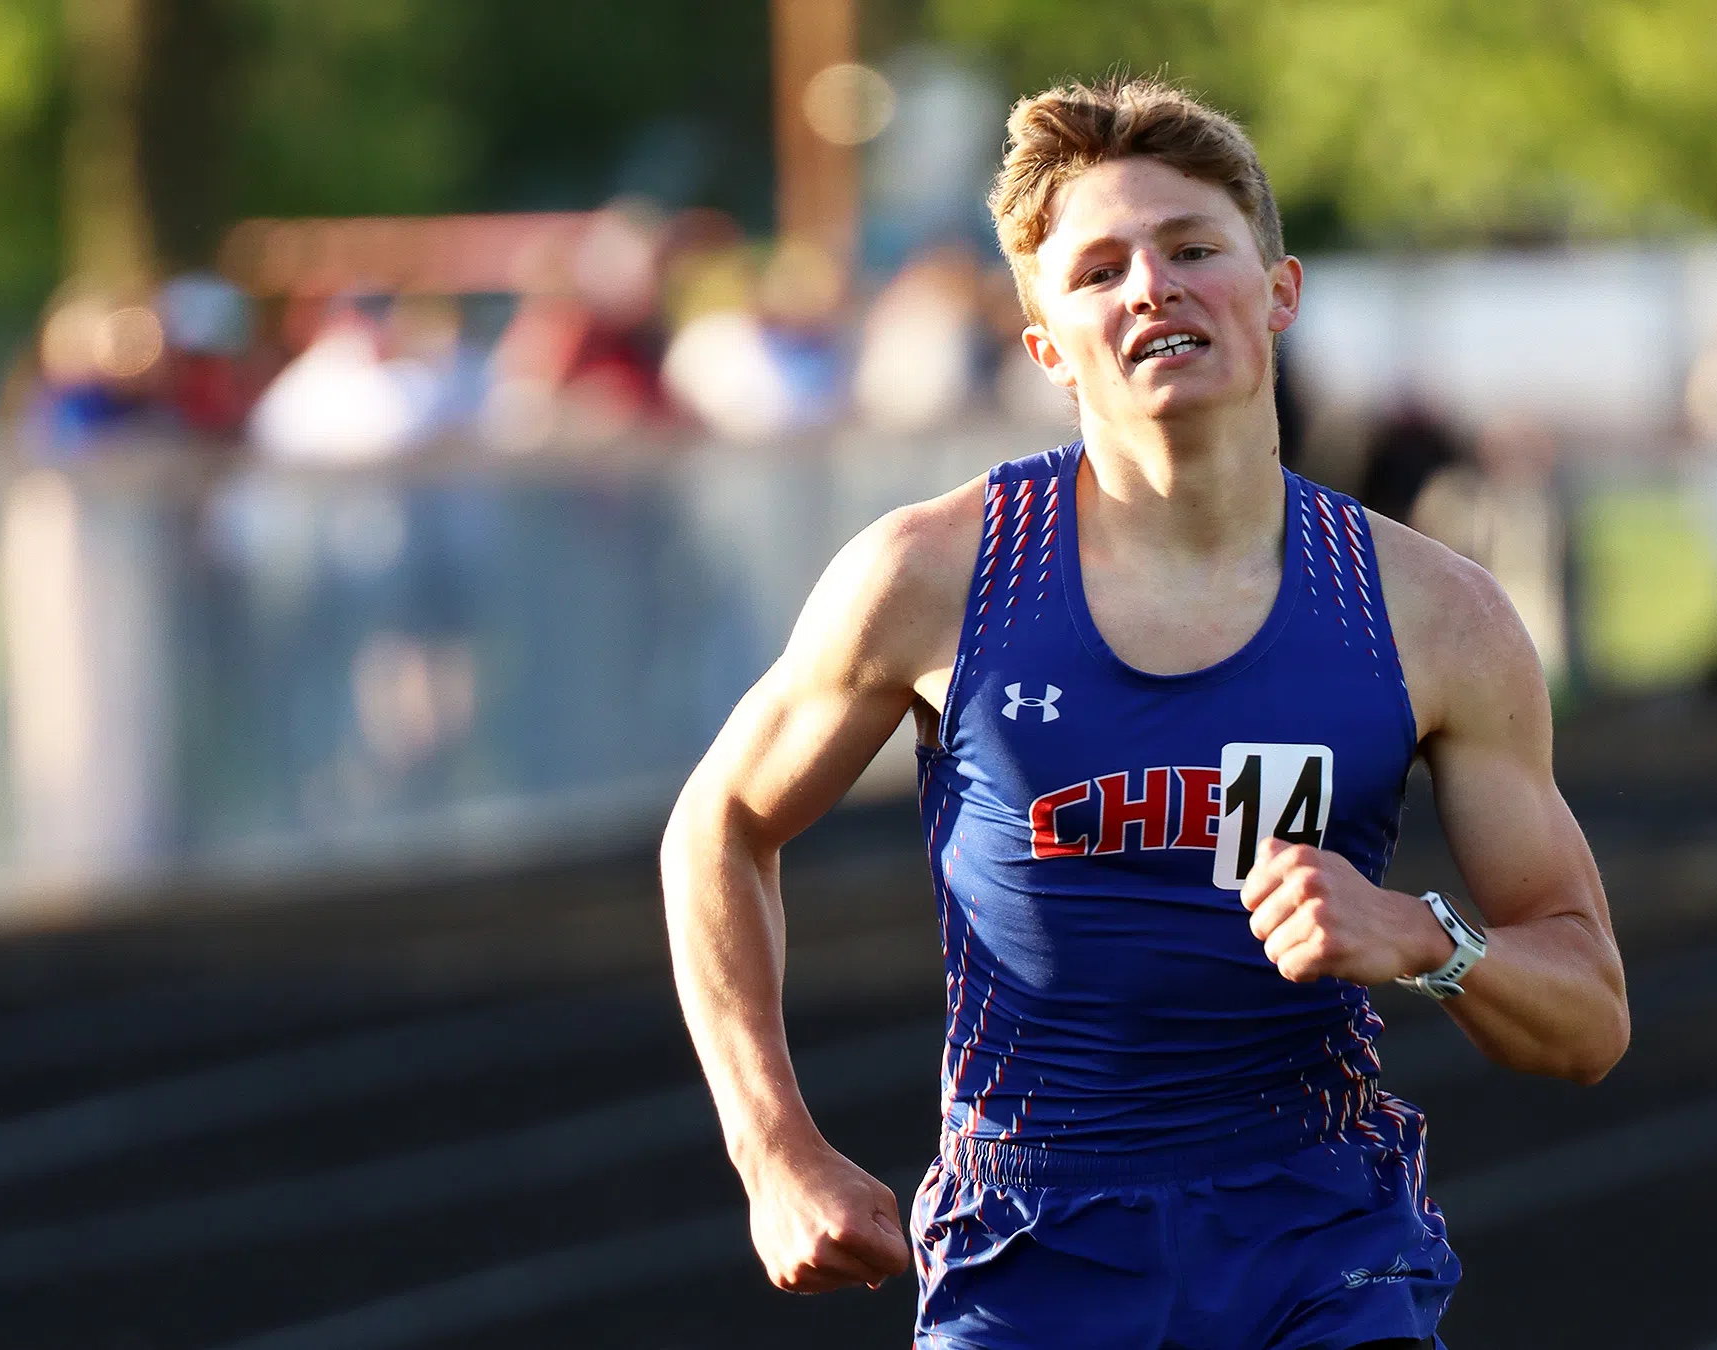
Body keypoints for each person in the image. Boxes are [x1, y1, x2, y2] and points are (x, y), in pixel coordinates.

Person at [661, 76, 1628, 1349]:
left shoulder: (1435, 614)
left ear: (1277, 291)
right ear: (1047, 345)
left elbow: (1591, 1013)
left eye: (1190, 250)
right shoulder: (932, 577)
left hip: (1320, 1235)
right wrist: (773, 1147)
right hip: (1034, 1243)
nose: (1152, 290)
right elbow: (719, 825)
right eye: (1100, 269)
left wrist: (1416, 935)